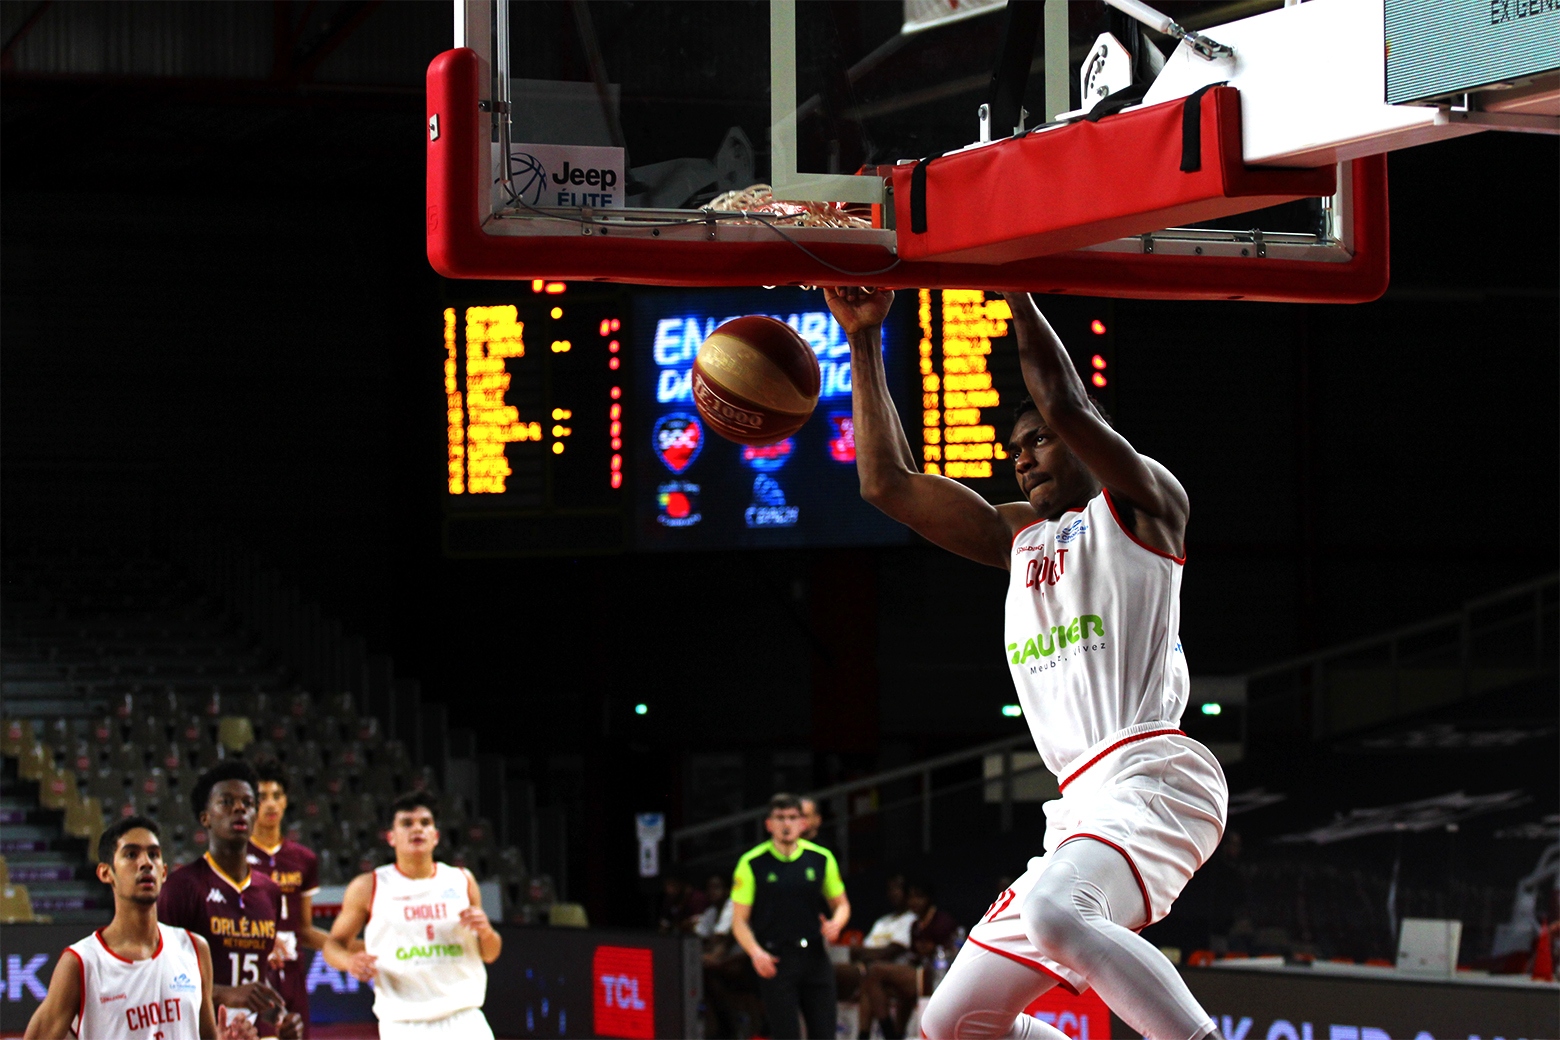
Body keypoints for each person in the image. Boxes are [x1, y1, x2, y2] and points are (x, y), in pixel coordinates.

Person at [829, 285, 1228, 1040]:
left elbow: (1065, 399)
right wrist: (861, 338)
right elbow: (885, 484)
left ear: (1082, 440)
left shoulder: (1143, 505)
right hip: (1079, 804)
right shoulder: (1020, 540)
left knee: (1055, 912)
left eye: (1036, 441)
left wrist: (1014, 285)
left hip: (1155, 773)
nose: (1021, 459)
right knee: (952, 1021)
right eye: (1014, 452)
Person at [25, 816, 231, 1040]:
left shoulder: (194, 948)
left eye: (153, 854)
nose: (145, 863)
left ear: (163, 872)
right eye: (131, 854)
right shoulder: (81, 962)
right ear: (106, 873)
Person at [322, 792, 503, 1039]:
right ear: (391, 837)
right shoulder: (369, 886)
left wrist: (487, 932)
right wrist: (349, 962)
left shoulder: (462, 880)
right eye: (407, 823)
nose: (417, 829)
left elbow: (490, 953)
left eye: (425, 823)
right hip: (405, 1025)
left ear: (436, 836)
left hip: (465, 1019)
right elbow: (333, 945)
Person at [159, 762, 303, 1039]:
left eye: (248, 803)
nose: (240, 809)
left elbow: (259, 972)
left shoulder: (270, 891)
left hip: (248, 1033)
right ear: (205, 817)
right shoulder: (181, 887)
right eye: (226, 802)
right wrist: (228, 994)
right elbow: (159, 978)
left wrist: (278, 1016)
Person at [729, 793, 851, 1040]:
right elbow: (739, 921)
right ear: (769, 824)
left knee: (825, 1033)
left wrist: (836, 923)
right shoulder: (752, 862)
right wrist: (756, 952)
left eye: (793, 817)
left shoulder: (820, 858)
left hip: (815, 956)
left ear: (803, 823)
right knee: (786, 1034)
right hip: (775, 960)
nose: (786, 824)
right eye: (780, 818)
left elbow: (842, 905)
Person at [248, 762, 327, 1037]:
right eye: (262, 797)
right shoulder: (234, 857)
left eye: (277, 795)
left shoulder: (304, 859)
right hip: (253, 972)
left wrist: (351, 948)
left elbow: (304, 929)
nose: (270, 804)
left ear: (286, 800)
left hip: (293, 972)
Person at [859, 879, 960, 1040]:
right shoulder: (915, 925)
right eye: (911, 898)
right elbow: (914, 956)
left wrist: (934, 951)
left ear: (929, 898)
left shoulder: (943, 922)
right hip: (918, 973)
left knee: (875, 970)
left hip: (939, 978)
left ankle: (889, 1035)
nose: (914, 902)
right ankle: (887, 1035)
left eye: (919, 897)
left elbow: (954, 953)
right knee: (871, 985)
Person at [836, 875, 914, 1023]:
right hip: (865, 966)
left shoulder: (911, 919)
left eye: (897, 888)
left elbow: (890, 952)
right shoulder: (883, 921)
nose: (893, 892)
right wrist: (858, 952)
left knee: (837, 972)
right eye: (890, 889)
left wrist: (858, 952)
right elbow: (866, 947)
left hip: (889, 970)